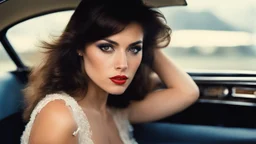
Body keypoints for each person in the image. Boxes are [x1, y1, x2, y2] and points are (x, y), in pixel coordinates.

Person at [20, 0, 199, 143]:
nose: (123, 64)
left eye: (134, 50)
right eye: (106, 47)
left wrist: (146, 36)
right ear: (79, 47)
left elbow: (187, 92)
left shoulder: (115, 112)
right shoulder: (59, 116)